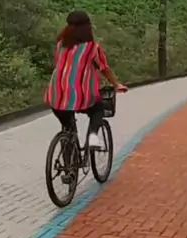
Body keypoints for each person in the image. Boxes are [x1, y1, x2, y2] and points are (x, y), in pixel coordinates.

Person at [45, 9, 127, 148]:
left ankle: (68, 151)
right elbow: (104, 68)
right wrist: (116, 84)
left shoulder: (61, 45)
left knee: (68, 127)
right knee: (98, 109)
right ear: (88, 27)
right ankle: (93, 137)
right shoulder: (92, 48)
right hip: (81, 94)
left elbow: (58, 65)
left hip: (56, 94)